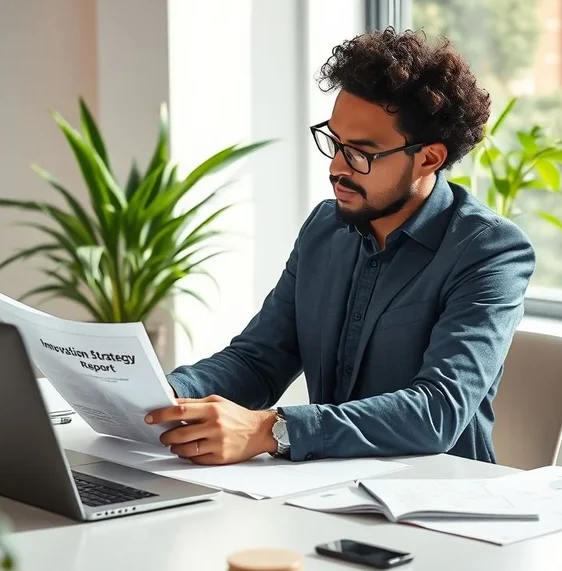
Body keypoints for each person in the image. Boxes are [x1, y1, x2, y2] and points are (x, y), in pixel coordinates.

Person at [144, 27, 536, 466]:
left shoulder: (490, 251)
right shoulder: (325, 229)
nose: (336, 168)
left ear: (429, 158)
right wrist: (165, 397)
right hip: (322, 492)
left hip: (439, 506)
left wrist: (270, 429)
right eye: (334, 142)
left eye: (361, 153)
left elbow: (437, 412)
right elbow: (258, 361)